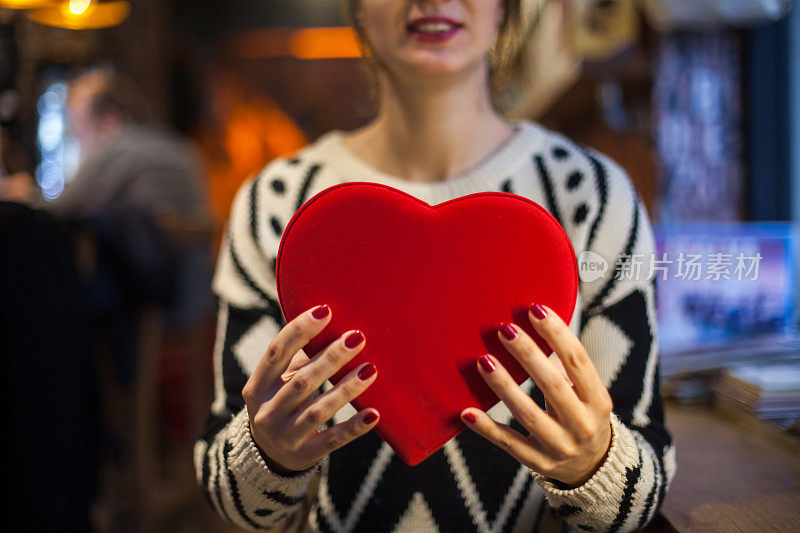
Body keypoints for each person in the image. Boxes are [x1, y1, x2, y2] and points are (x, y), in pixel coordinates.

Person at [194, 1, 675, 531]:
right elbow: (234, 502)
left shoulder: (593, 197)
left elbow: (641, 491)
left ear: (505, 9)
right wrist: (267, 454)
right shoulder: (276, 206)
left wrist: (595, 465)